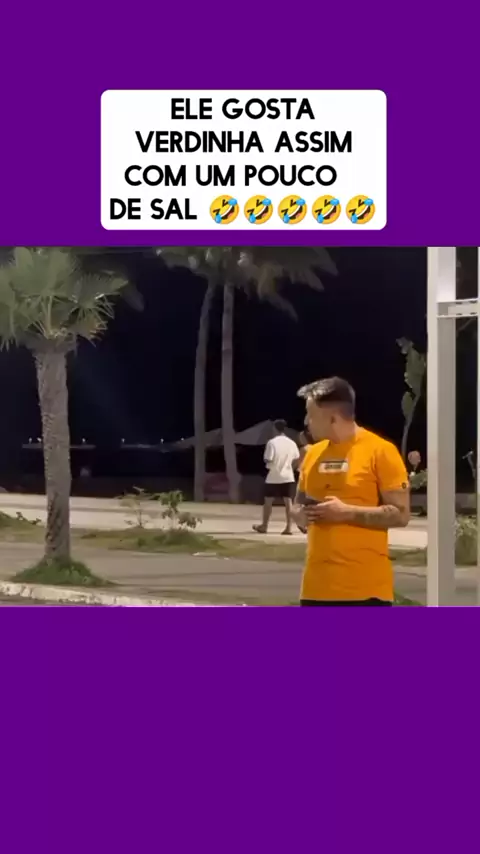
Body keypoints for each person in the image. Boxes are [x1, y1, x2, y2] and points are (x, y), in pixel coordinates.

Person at [293, 377, 410, 606]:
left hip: (365, 592)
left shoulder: (380, 451)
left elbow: (401, 514)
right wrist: (299, 515)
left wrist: (346, 512)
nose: (306, 421)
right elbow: (298, 504)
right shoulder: (312, 454)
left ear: (333, 418)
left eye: (311, 415)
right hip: (315, 590)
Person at [253, 419, 300, 535]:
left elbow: (268, 459)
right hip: (288, 476)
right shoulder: (291, 443)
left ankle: (264, 525)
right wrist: (289, 467)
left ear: (274, 428)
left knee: (268, 501)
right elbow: (297, 458)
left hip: (273, 476)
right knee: (288, 502)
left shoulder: (272, 443)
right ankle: (288, 527)